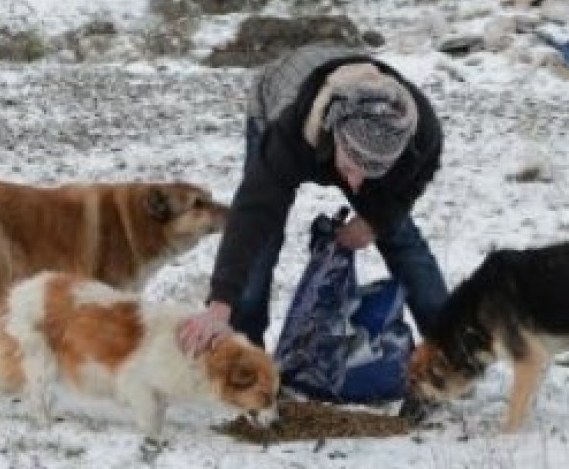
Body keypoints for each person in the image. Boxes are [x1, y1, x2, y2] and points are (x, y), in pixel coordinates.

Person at [178, 44, 449, 356]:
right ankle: (246, 356)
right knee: (262, 244)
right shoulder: (288, 135)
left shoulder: (418, 131)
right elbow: (253, 211)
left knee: (400, 236)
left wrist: (377, 219)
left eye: (372, 174)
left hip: (353, 106)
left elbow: (418, 174)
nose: (355, 186)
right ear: (334, 137)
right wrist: (220, 303)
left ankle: (449, 347)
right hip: (278, 97)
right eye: (350, 169)